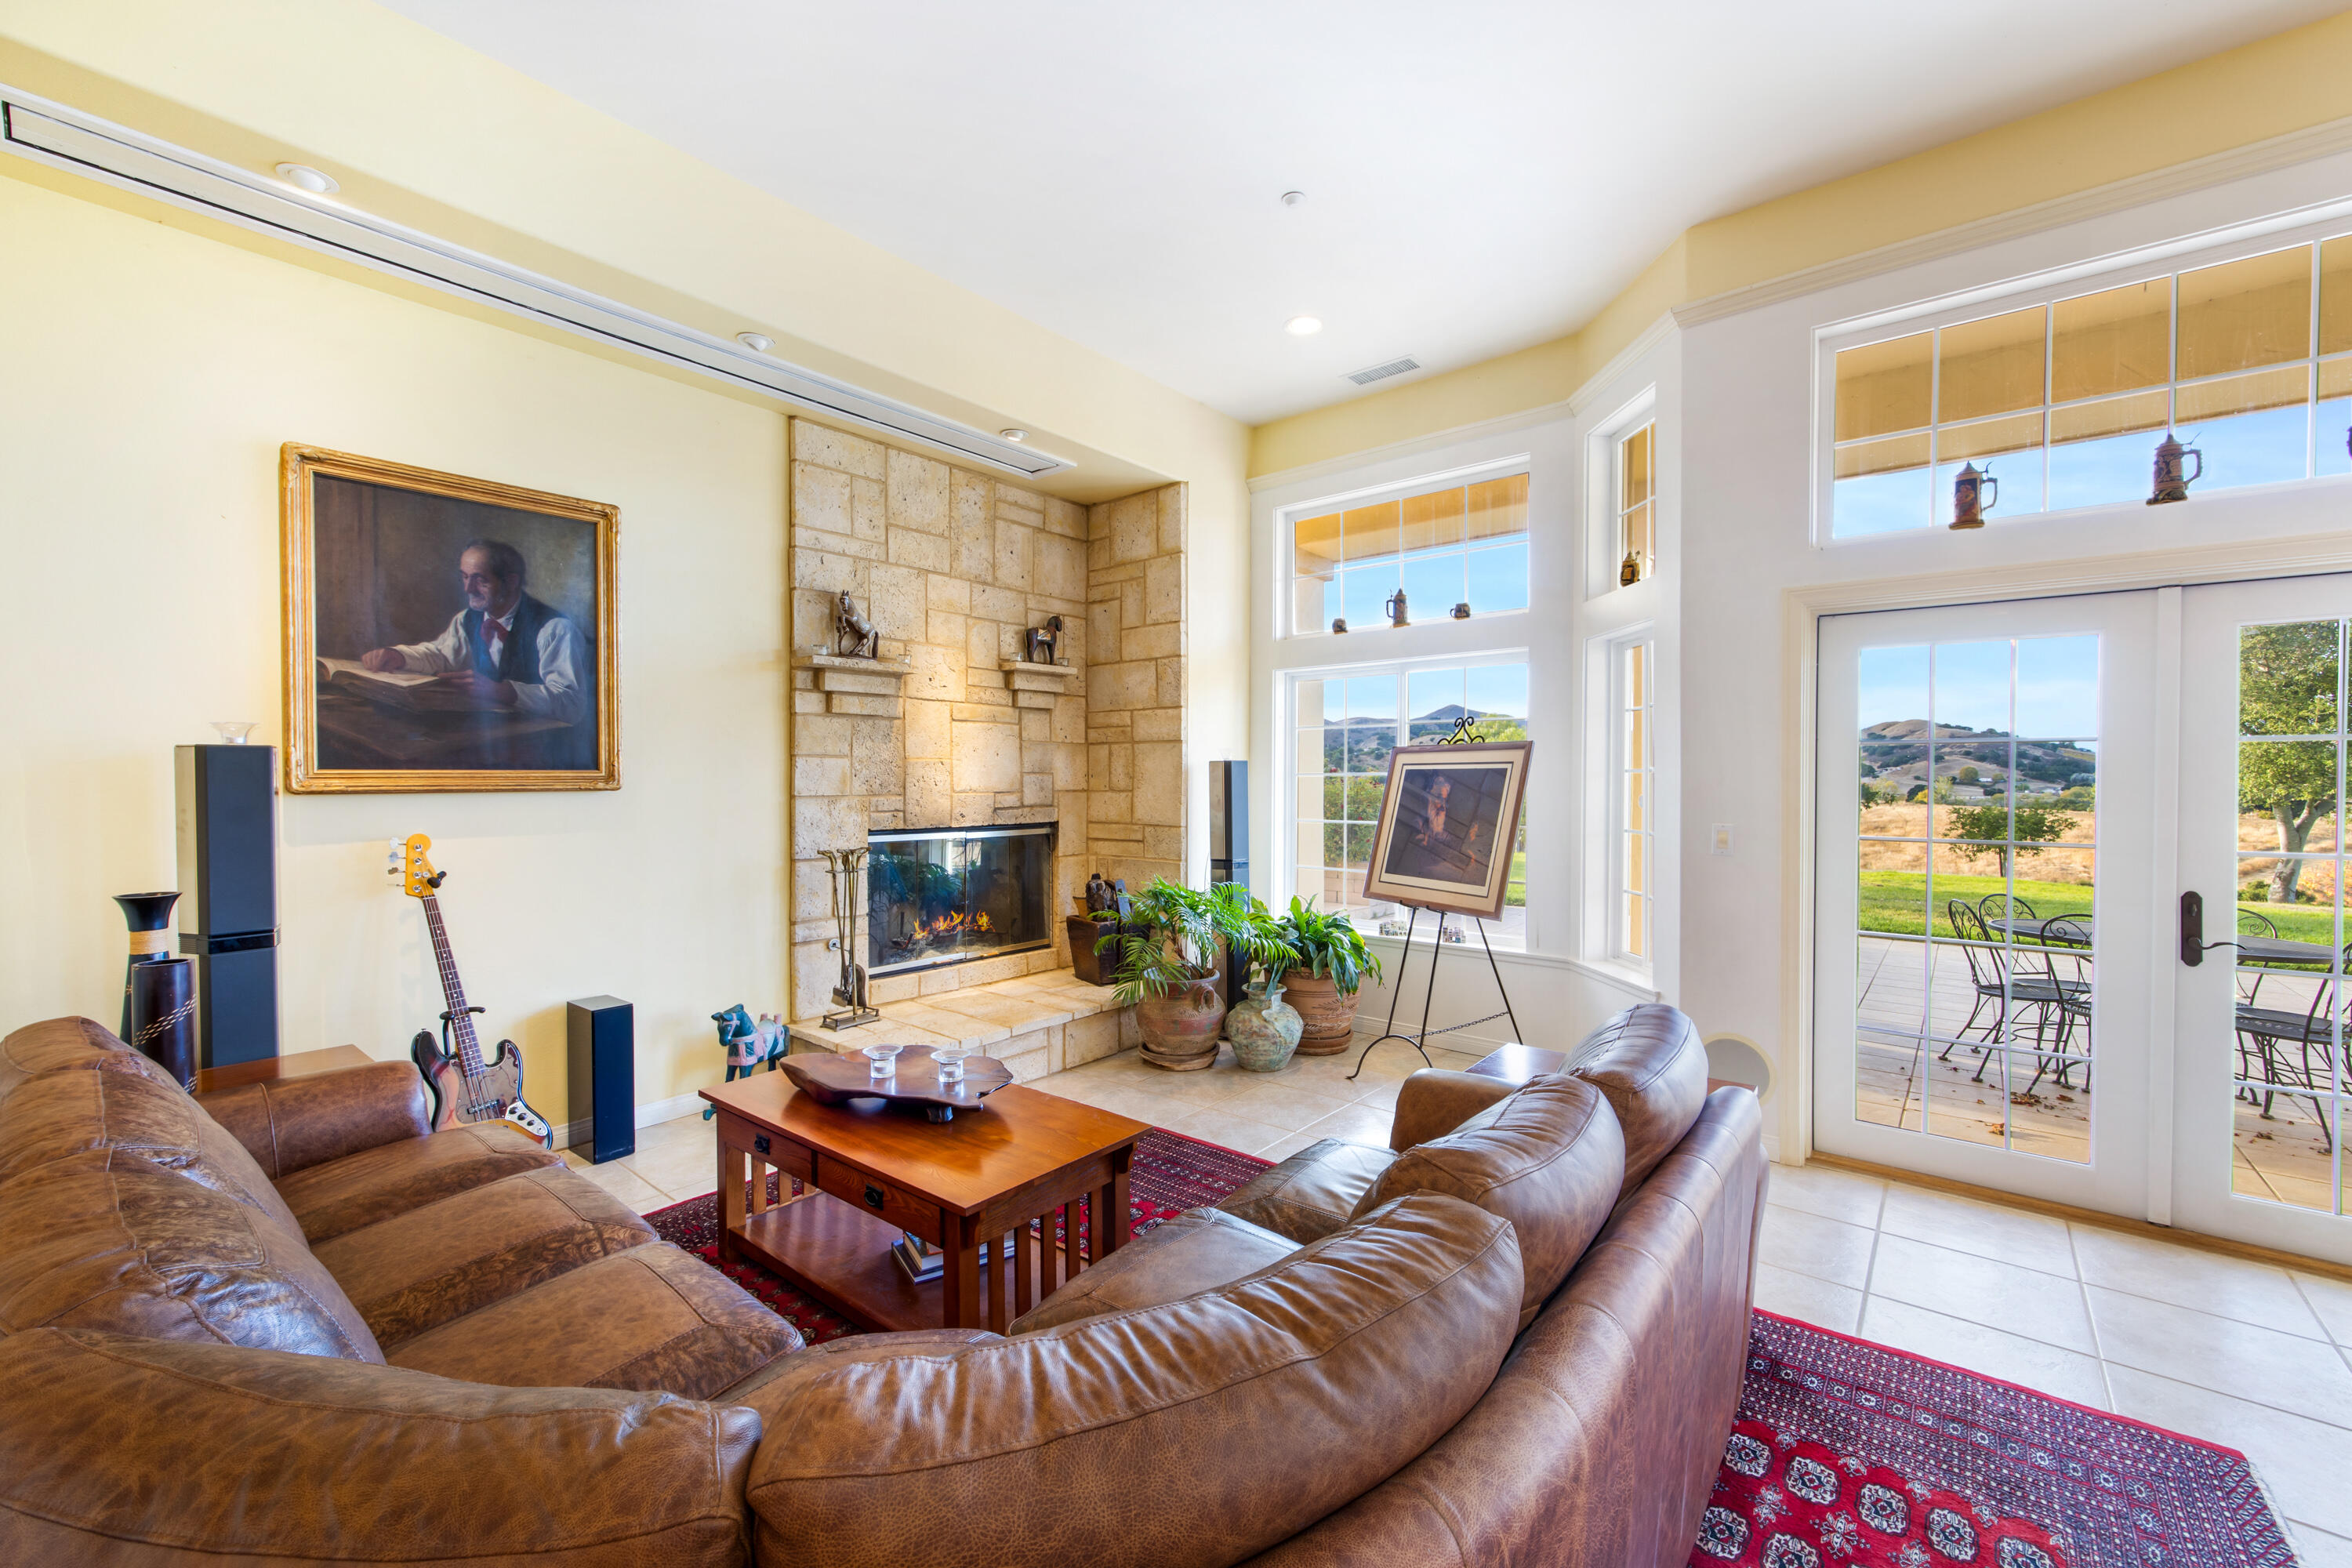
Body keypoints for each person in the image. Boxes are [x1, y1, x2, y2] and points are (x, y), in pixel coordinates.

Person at [361, 539, 589, 729]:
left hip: (546, 744)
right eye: (464, 577)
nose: (468, 589)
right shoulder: (467, 619)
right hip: (496, 734)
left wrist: (504, 691)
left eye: (480, 580)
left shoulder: (555, 628)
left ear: (511, 581)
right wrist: (399, 656)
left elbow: (571, 705)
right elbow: (441, 655)